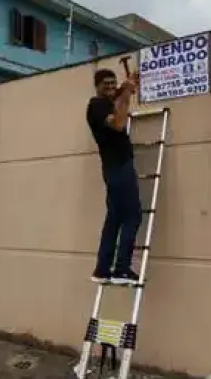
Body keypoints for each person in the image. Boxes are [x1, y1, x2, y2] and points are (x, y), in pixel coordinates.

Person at [85, 68, 142, 285]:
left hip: (114, 168)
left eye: (113, 83)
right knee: (132, 216)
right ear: (97, 86)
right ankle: (121, 270)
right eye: (106, 84)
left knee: (115, 218)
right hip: (119, 168)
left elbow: (114, 96)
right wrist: (126, 93)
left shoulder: (104, 103)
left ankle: (102, 269)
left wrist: (126, 86)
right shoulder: (97, 106)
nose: (111, 87)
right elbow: (118, 124)